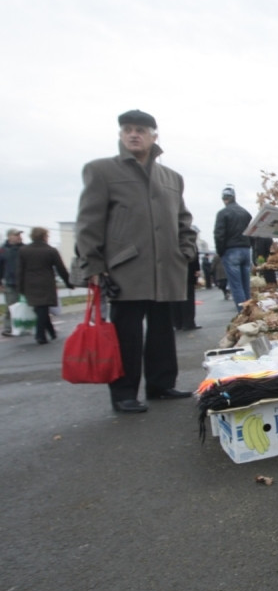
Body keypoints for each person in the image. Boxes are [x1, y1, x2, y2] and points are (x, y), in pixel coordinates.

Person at [75, 109, 198, 414]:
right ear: (120, 135)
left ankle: (161, 385)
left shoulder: (172, 178)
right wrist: (93, 266)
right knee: (125, 335)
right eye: (128, 129)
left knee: (162, 331)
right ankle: (124, 393)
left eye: (141, 130)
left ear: (153, 136)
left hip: (167, 267)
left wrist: (186, 251)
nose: (134, 134)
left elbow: (184, 220)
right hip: (124, 269)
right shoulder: (101, 171)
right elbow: (89, 222)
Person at [16, 227, 72, 344]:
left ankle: (50, 332)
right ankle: (40, 334)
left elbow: (20, 270)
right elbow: (60, 269)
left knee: (40, 308)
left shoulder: (24, 250)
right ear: (44, 236)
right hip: (46, 282)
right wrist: (68, 282)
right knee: (43, 308)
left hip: (29, 283)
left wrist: (20, 287)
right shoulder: (51, 250)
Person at [214, 186, 253, 312]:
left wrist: (220, 251)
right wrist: (249, 244)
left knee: (236, 285)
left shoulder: (223, 213)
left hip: (231, 250)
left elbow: (219, 235)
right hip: (245, 249)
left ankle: (243, 313)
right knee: (246, 284)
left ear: (224, 199)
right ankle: (250, 310)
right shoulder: (245, 213)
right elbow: (252, 231)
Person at [1, 228, 24, 336]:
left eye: (19, 235)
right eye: (16, 235)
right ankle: (8, 327)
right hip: (10, 282)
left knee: (26, 305)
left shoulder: (24, 248)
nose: (19, 236)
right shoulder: (3, 250)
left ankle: (25, 325)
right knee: (11, 306)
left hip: (24, 282)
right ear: (9, 236)